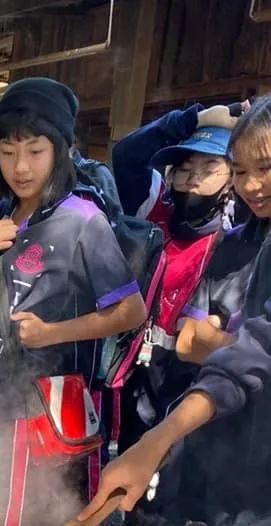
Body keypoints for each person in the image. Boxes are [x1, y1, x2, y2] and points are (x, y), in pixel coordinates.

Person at [0, 77, 146, 526]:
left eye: (34, 151)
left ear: (59, 150)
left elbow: (130, 312)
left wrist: (50, 332)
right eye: (8, 151)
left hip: (34, 409)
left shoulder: (82, 220)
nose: (20, 166)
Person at [112, 103, 237, 443]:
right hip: (127, 375)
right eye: (184, 167)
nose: (193, 178)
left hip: (186, 386)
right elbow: (126, 154)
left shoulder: (236, 236)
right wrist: (194, 118)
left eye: (209, 166)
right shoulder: (154, 212)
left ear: (232, 177)